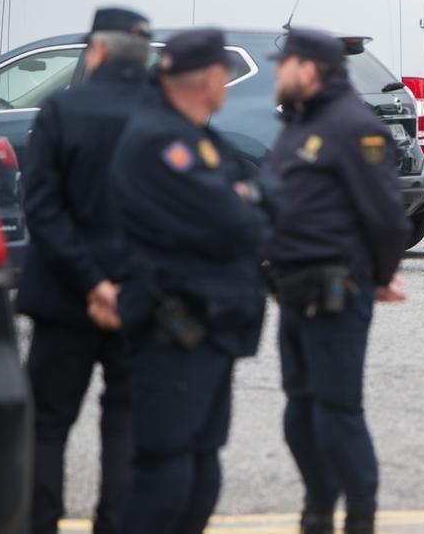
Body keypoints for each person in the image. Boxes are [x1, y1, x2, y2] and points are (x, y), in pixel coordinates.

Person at [110, 28, 276, 534]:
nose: (226, 85)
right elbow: (237, 218)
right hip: (173, 330)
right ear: (206, 78)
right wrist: (246, 205)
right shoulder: (159, 139)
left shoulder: (198, 137)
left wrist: (248, 205)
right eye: (224, 75)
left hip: (212, 327)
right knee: (165, 475)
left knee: (201, 466)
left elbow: (262, 203)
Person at [264, 29, 410, 534]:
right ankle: (318, 507)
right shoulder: (299, 124)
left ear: (308, 70)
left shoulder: (354, 127)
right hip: (293, 287)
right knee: (301, 411)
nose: (276, 72)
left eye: (283, 64)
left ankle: (361, 515)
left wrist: (379, 275)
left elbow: (387, 216)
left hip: (336, 287)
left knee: (336, 410)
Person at [19, 7, 151, 534]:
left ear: (97, 51)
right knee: (125, 422)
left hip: (64, 298)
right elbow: (172, 213)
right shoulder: (162, 114)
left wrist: (92, 280)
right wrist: (121, 284)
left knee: (46, 426)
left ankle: (39, 521)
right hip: (136, 300)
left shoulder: (60, 110)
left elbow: (43, 207)